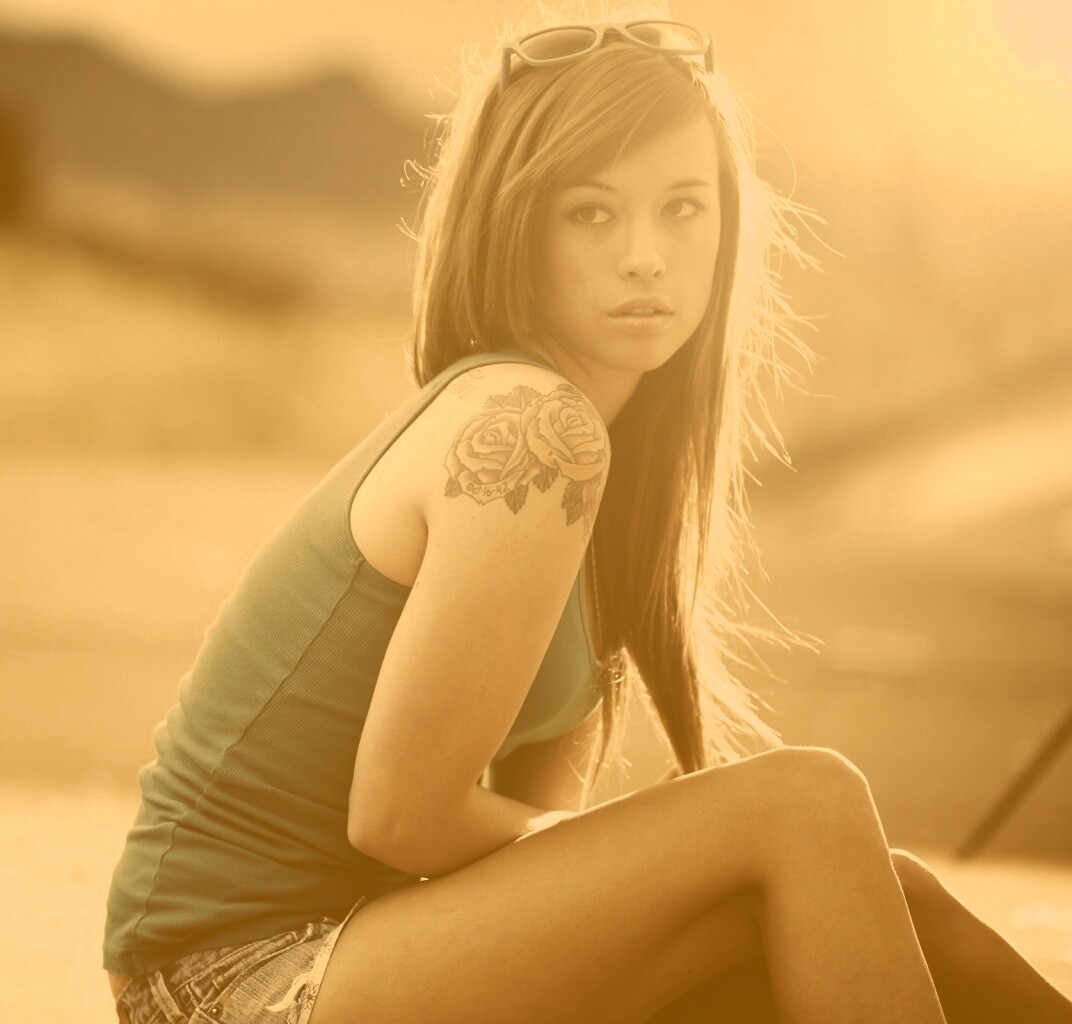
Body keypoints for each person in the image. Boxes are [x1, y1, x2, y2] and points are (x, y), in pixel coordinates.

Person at [104, 3, 1072, 1022]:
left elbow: (530, 837)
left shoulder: (612, 478)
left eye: (683, 207)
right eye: (591, 213)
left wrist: (683, 859)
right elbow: (401, 819)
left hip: (366, 954)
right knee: (803, 805)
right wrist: (695, 842)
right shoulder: (530, 428)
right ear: (515, 228)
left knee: (879, 892)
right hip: (232, 982)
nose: (646, 255)